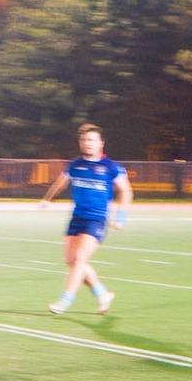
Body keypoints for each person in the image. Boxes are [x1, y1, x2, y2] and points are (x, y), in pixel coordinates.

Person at [39, 123, 132, 316]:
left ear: (101, 143)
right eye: (84, 140)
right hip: (76, 218)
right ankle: (102, 293)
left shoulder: (111, 167)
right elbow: (60, 184)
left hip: (96, 220)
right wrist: (47, 200)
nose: (87, 143)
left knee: (80, 259)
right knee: (73, 262)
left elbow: (126, 191)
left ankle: (65, 300)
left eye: (91, 140)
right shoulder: (75, 164)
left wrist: (121, 217)